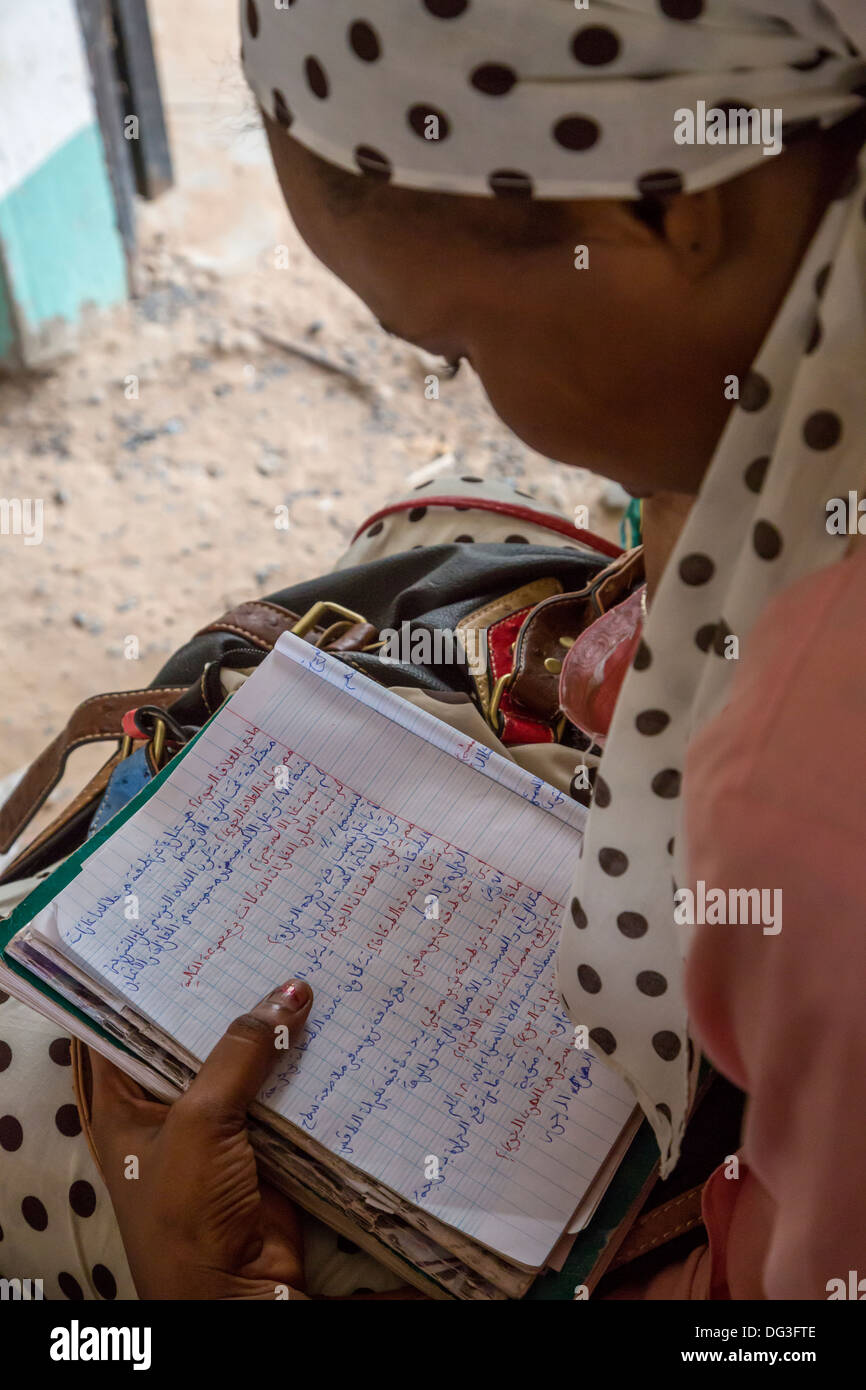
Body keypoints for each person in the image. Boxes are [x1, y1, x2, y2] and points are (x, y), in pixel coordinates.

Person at [2, 0, 866, 1299]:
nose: (471, 387)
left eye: (453, 349)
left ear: (671, 213)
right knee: (432, 521)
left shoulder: (803, 801)